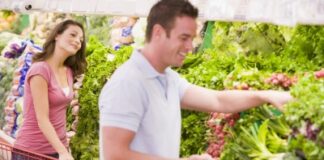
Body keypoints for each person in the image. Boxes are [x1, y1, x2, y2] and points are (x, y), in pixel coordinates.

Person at [98, 0, 293, 160]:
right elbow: (116, 155)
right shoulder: (128, 83)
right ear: (158, 32)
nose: (190, 47)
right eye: (183, 38)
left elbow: (218, 101)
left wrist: (266, 95)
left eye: (192, 39)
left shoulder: (168, 79)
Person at [13, 20, 87, 160]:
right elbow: (42, 119)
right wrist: (63, 152)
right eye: (73, 35)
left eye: (81, 40)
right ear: (57, 35)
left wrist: (64, 147)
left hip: (55, 149)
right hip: (31, 151)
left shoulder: (69, 71)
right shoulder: (40, 70)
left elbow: (60, 114)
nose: (78, 41)